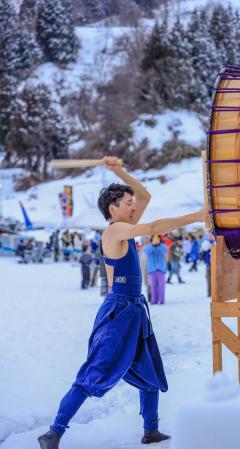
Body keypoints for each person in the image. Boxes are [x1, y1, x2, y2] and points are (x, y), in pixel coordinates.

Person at [38, 156, 204, 449]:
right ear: (113, 208)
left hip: (134, 310)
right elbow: (154, 226)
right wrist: (196, 216)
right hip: (118, 312)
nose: (132, 206)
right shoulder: (115, 230)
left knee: (149, 373)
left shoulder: (125, 225)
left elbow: (145, 195)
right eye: (127, 203)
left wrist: (117, 171)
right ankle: (54, 432)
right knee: (95, 371)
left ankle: (150, 430)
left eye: (130, 203)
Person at [144, 235, 168, 305]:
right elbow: (147, 252)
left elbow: (165, 251)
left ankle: (161, 300)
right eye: (154, 239)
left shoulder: (162, 246)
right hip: (152, 269)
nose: (156, 240)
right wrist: (153, 245)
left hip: (161, 269)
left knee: (161, 285)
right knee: (153, 286)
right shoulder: (148, 247)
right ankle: (154, 300)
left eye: (157, 239)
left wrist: (159, 245)